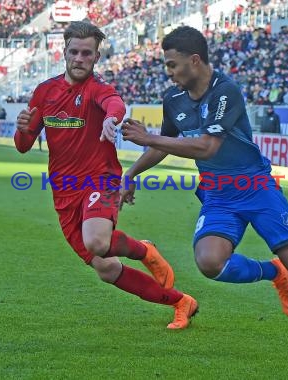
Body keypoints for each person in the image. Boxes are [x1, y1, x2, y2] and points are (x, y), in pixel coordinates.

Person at [120, 26, 288, 364]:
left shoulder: (226, 92)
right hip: (218, 195)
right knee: (209, 262)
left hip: (256, 188)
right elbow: (166, 143)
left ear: (195, 60)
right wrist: (131, 173)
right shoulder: (173, 100)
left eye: (173, 65)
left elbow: (207, 146)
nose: (169, 72)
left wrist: (148, 139)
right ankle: (272, 273)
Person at [14, 21, 198, 330]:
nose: (80, 58)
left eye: (87, 53)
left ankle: (145, 251)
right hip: (65, 190)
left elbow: (115, 103)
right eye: (74, 52)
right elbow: (23, 146)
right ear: (64, 52)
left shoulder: (98, 88)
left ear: (97, 56)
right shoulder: (45, 92)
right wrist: (22, 130)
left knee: (98, 242)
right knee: (107, 268)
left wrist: (111, 120)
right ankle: (182, 302)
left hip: (101, 179)